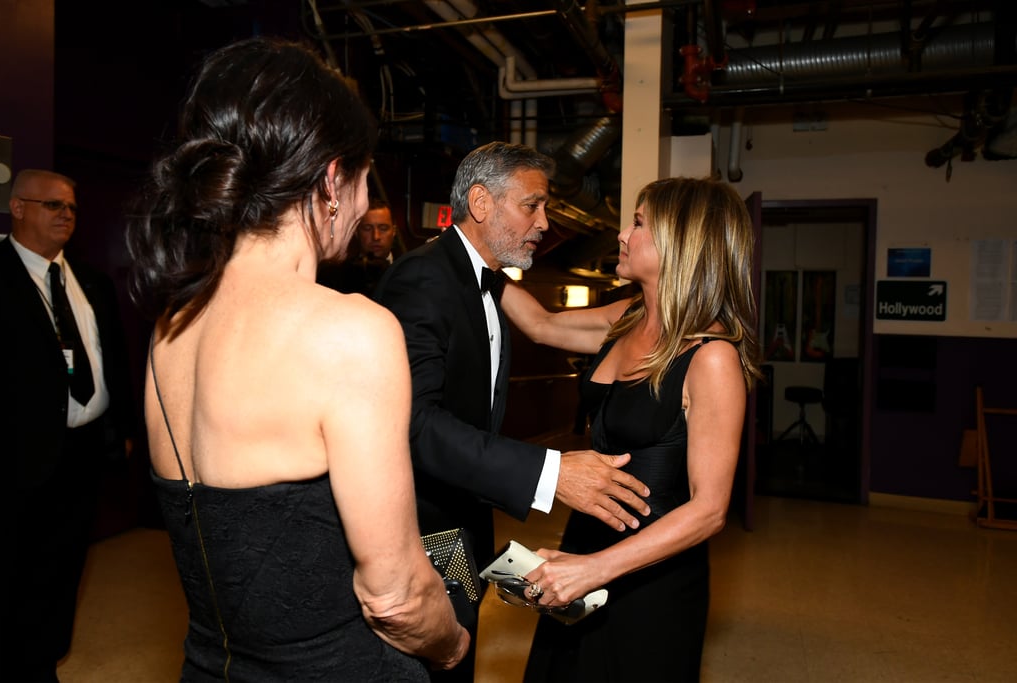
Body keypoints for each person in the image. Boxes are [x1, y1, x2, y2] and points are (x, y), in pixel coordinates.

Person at [125, 37, 468, 681]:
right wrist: (453, 646)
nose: (366, 204)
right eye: (367, 179)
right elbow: (393, 595)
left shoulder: (173, 325)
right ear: (334, 180)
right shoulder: (350, 331)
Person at [373, 140, 651, 682]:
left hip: (458, 525)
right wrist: (552, 473)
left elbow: (541, 330)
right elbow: (410, 424)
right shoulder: (425, 279)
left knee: (456, 652)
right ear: (481, 203)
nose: (545, 223)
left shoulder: (485, 281)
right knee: (427, 665)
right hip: (419, 529)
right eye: (533, 205)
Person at [501, 176, 763, 682]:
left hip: (650, 574)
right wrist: (478, 261)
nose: (622, 234)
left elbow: (709, 511)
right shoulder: (627, 316)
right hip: (585, 542)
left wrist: (594, 569)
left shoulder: (712, 358)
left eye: (639, 223)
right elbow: (541, 325)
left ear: (680, 242)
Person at [0, 169, 135, 682]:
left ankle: (44, 661)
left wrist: (120, 429)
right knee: (14, 569)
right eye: (54, 206)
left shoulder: (92, 281)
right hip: (15, 456)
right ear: (18, 209)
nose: (67, 216)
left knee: (64, 565)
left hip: (81, 452)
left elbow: (112, 359)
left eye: (72, 207)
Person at [316, 196, 398, 297]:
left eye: (383, 228)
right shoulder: (334, 276)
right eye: (367, 228)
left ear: (394, 231)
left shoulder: (409, 270)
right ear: (356, 232)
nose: (376, 236)